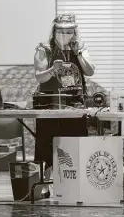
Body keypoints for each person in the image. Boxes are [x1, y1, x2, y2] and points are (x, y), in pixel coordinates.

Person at [33, 13, 95, 198]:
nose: (65, 34)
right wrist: (53, 69)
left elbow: (90, 71)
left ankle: (74, 183)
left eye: (69, 31)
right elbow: (39, 76)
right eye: (61, 31)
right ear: (54, 30)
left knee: (76, 140)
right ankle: (45, 180)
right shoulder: (45, 48)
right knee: (46, 141)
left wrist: (78, 54)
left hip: (74, 102)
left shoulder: (80, 47)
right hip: (49, 101)